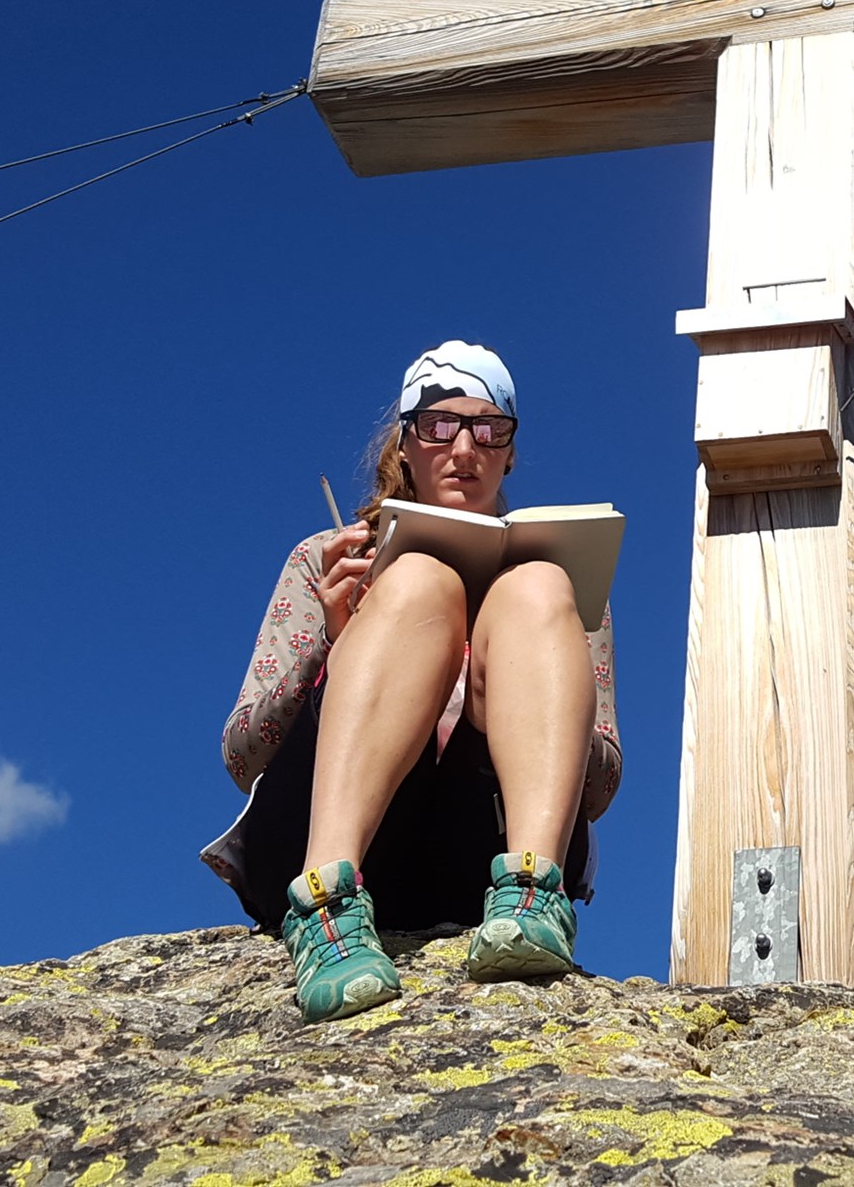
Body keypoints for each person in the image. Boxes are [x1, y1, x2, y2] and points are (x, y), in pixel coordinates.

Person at [198, 341, 621, 1021]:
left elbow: (597, 789)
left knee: (537, 584)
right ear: (405, 443)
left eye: (489, 429)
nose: (464, 449)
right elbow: (243, 755)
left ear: (510, 450)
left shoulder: (562, 579)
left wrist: (512, 687)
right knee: (421, 579)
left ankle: (530, 897)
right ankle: (324, 908)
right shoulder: (328, 558)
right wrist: (335, 646)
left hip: (480, 851)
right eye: (438, 426)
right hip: (329, 843)